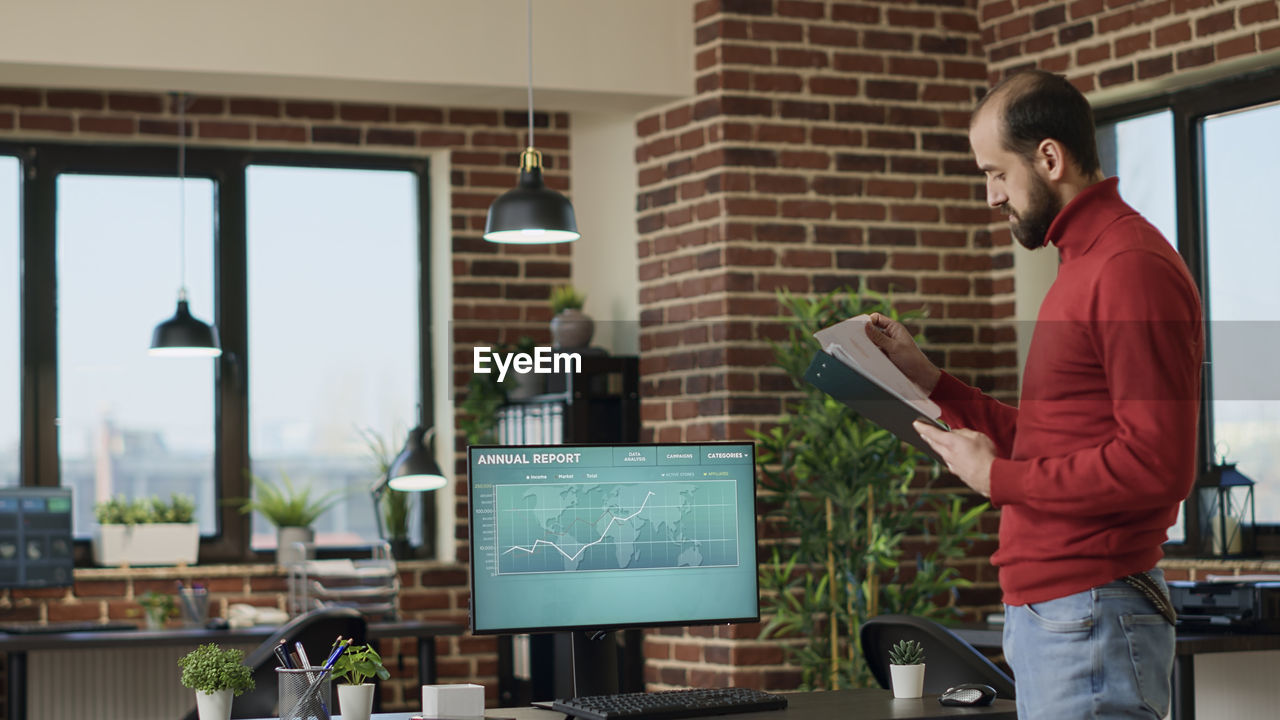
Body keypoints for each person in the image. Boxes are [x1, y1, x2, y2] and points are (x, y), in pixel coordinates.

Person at [865, 70, 1203, 719]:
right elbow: (1052, 441)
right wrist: (930, 381)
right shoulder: (1081, 264)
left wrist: (998, 479)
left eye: (996, 173)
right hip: (1063, 619)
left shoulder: (1127, 267)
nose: (991, 196)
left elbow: (1158, 466)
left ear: (1049, 157)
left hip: (1091, 617)